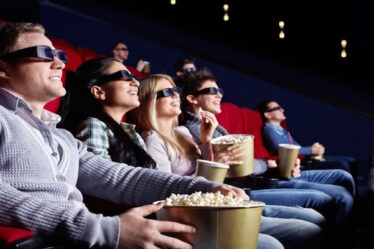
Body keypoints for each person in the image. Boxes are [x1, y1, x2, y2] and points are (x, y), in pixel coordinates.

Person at [0, 22, 253, 249]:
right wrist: (106, 231)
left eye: (60, 55)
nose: (60, 64)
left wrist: (203, 188)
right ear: (3, 69)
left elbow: (119, 177)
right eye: (44, 54)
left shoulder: (62, 138)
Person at [132, 74, 324, 249]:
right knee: (278, 243)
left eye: (176, 91)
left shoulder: (181, 133)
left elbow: (208, 174)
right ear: (149, 101)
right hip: (204, 216)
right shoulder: (154, 141)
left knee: (312, 226)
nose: (175, 95)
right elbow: (167, 193)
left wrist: (207, 142)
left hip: (224, 200)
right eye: (167, 92)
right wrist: (218, 165)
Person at [176, 69, 355, 227]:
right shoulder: (194, 132)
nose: (219, 95)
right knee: (335, 199)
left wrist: (272, 166)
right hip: (246, 188)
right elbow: (237, 169)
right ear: (192, 98)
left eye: (220, 90)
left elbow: (241, 163)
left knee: (343, 179)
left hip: (261, 178)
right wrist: (268, 165)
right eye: (212, 91)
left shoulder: (215, 127)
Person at [60, 57, 156, 168]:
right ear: (99, 91)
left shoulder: (130, 132)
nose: (136, 83)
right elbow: (100, 174)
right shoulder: (94, 124)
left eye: (133, 77)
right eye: (126, 76)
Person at [258, 99, 357, 174]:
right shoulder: (269, 129)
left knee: (351, 161)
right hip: (298, 163)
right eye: (277, 108)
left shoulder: (282, 129)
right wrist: (311, 150)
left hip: (303, 158)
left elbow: (297, 147)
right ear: (267, 115)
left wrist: (314, 149)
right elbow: (280, 149)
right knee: (342, 164)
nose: (282, 110)